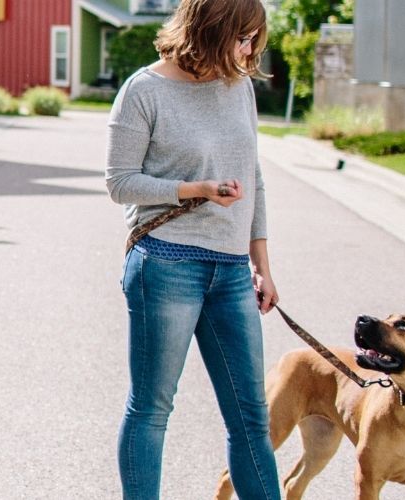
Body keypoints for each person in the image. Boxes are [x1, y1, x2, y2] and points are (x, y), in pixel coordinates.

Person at [103, 0, 281, 497]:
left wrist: (262, 265)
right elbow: (120, 183)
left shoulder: (238, 86)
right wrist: (195, 189)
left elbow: (255, 179)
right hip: (165, 261)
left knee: (251, 418)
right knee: (152, 410)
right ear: (208, 28)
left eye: (254, 41)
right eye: (241, 38)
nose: (248, 51)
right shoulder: (143, 90)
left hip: (231, 271)